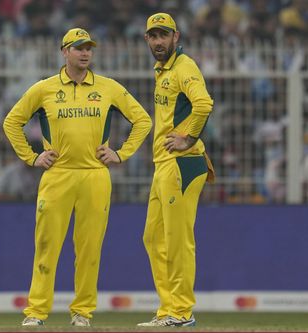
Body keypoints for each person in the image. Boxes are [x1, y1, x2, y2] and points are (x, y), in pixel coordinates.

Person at [3, 28, 152, 327]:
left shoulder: (108, 87)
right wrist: (32, 157)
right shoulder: (44, 88)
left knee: (89, 247)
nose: (85, 53)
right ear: (64, 52)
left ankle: (82, 311)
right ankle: (36, 311)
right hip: (57, 176)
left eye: (89, 48)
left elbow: (143, 120)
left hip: (95, 176)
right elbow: (12, 122)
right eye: (78, 48)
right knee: (47, 244)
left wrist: (121, 153)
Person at [138, 13, 215, 327]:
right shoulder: (162, 69)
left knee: (176, 239)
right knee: (153, 238)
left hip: (182, 164)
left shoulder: (185, 67)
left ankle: (181, 311)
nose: (159, 41)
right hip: (165, 165)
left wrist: (188, 138)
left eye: (164, 35)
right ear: (147, 39)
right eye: (153, 36)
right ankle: (169, 308)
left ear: (176, 36)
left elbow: (204, 103)